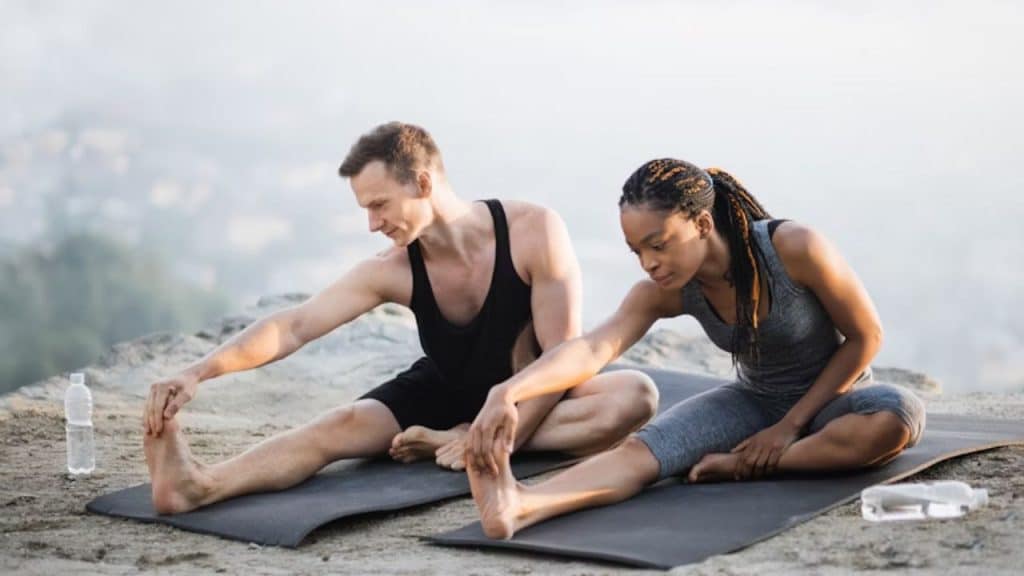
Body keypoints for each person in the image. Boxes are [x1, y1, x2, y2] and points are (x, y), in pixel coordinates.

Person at [141, 122, 658, 515]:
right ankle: (197, 486)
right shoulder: (392, 269)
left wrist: (479, 438)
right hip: (443, 389)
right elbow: (295, 325)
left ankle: (455, 434)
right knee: (337, 427)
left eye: (380, 205)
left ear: (424, 183)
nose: (372, 224)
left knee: (633, 396)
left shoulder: (534, 231)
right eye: (366, 209)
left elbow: (562, 363)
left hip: (526, 394)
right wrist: (196, 372)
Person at [464, 158, 926, 539]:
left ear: (702, 223)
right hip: (754, 401)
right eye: (636, 251)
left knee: (896, 416)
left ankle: (747, 465)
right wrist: (508, 391)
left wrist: (788, 428)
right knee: (641, 453)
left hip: (835, 399)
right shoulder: (665, 290)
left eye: (658, 245)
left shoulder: (795, 249)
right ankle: (521, 504)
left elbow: (867, 337)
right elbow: (591, 349)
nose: (649, 263)